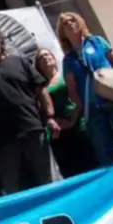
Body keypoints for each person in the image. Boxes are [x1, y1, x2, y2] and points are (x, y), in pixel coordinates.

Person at [0, 27, 58, 194]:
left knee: (48, 182)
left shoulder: (20, 62)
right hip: (3, 143)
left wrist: (50, 117)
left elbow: (41, 91)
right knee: (14, 189)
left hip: (33, 132)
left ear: (0, 40)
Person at [57, 12, 113, 167]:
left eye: (72, 20)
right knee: (106, 153)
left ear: (80, 22)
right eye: (65, 24)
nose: (70, 24)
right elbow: (72, 92)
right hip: (94, 110)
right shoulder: (68, 60)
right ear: (63, 34)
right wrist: (86, 106)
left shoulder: (97, 41)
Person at [35, 48, 97, 179]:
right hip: (58, 135)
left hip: (78, 126)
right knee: (71, 173)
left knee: (91, 165)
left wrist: (71, 121)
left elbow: (80, 96)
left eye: (47, 54)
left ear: (53, 57)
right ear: (38, 66)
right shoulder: (40, 87)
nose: (45, 58)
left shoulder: (65, 75)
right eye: (41, 58)